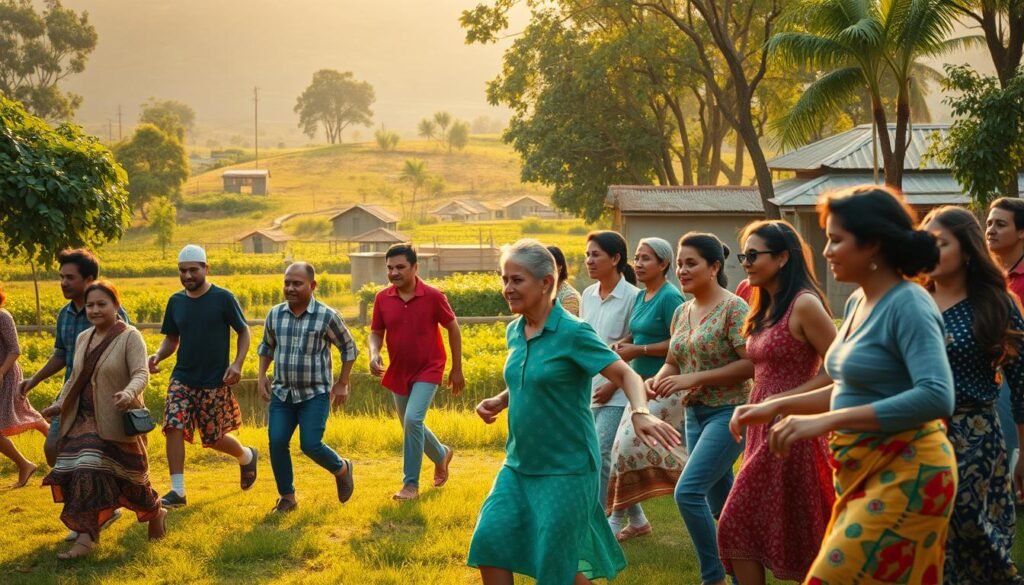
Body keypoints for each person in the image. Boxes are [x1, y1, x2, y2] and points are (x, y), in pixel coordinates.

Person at [733, 186, 956, 584]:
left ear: (871, 244)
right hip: (858, 466)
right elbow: (854, 388)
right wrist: (777, 406)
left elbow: (937, 396)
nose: (825, 251)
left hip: (909, 467)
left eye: (836, 240)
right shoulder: (856, 303)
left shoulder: (909, 303)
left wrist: (822, 422)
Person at [468, 239, 682, 585]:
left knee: (556, 566)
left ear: (546, 283)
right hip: (519, 463)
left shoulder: (573, 332)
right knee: (491, 542)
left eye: (516, 280)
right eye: (503, 278)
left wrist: (640, 410)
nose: (507, 288)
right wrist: (501, 399)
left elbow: (625, 372)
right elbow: (533, 373)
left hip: (567, 467)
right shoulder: (515, 331)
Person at [718, 221, 837, 584]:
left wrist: (781, 402)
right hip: (762, 427)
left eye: (754, 255)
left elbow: (837, 370)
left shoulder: (804, 304)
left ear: (783, 257)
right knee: (745, 526)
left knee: (743, 522)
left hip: (793, 430)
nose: (746, 263)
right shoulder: (764, 303)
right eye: (744, 255)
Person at [921, 206, 1024, 585]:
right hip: (916, 435)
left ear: (966, 250)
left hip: (974, 436)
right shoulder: (911, 302)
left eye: (940, 243)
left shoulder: (996, 303)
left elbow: (1023, 383)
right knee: (928, 539)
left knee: (974, 532)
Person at [647, 232, 753, 585]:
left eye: (691, 263)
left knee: (688, 492)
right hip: (695, 415)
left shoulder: (733, 307)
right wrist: (659, 380)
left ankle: (713, 577)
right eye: (679, 263)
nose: (682, 270)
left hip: (731, 412)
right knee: (723, 505)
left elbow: (750, 364)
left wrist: (693, 379)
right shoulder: (681, 311)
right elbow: (673, 362)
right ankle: (743, 573)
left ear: (714, 267)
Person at [40, 281, 166, 559]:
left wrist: (129, 392)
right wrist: (59, 405)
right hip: (82, 419)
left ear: (116, 306)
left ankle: (155, 510)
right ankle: (84, 541)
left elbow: (141, 373)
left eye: (102, 304)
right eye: (91, 305)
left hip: (116, 420)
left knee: (131, 481)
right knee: (82, 471)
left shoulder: (130, 336)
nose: (95, 310)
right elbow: (74, 378)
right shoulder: (84, 337)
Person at [19, 248, 130, 540]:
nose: (64, 283)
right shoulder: (64, 315)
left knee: (101, 460)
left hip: (104, 400)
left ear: (89, 279)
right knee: (53, 449)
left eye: (70, 277)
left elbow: (129, 352)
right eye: (61, 277)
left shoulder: (113, 311)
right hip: (70, 398)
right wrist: (35, 380)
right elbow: (61, 355)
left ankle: (93, 516)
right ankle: (91, 510)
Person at [148, 244, 256, 508]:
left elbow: (244, 332)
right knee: (173, 424)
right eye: (182, 271)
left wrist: (237, 364)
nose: (187, 275)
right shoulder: (176, 302)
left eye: (193, 270)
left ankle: (246, 456)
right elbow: (171, 339)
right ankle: (178, 491)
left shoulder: (223, 298)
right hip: (182, 378)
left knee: (214, 438)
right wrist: (158, 355)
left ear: (206, 268)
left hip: (213, 381)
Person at [257, 262, 358, 512]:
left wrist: (342, 383)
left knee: (310, 444)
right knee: (277, 441)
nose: (290, 288)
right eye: (287, 283)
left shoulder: (326, 316)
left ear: (312, 286)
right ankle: (287, 497)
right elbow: (267, 347)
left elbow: (350, 348)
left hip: (315, 394)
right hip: (282, 392)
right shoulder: (275, 314)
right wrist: (261, 376)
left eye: (297, 283)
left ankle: (342, 468)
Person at [606, 237, 687, 541]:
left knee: (627, 448)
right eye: (637, 258)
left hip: (666, 389)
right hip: (639, 388)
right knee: (618, 451)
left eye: (646, 259)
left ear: (664, 264)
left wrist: (638, 350)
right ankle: (636, 520)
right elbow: (636, 332)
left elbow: (678, 343)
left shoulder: (670, 298)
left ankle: (615, 521)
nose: (638, 264)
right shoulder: (642, 297)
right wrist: (624, 344)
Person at [368, 244, 464, 501]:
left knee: (412, 420)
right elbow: (376, 332)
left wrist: (457, 369)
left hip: (429, 368)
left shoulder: (433, 296)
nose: (394, 272)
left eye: (400, 267)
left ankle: (410, 485)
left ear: (414, 268)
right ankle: (442, 454)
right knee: (410, 425)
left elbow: (453, 328)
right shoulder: (382, 298)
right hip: (399, 370)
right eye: (389, 268)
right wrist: (374, 353)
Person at [581, 231, 640, 511]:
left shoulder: (634, 297)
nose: (589, 261)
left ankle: (600, 516)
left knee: (603, 453)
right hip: (589, 388)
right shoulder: (587, 295)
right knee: (592, 453)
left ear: (615, 258)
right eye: (587, 255)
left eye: (596, 255)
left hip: (618, 392)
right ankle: (637, 518)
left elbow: (634, 344)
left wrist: (613, 385)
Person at [986, 197, 1024, 475]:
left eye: (1000, 224)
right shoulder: (987, 278)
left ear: (1021, 232)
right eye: (988, 223)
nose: (991, 230)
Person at [0, 283, 48, 488]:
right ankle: (26, 464)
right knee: (30, 414)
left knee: (28, 415)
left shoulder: (2, 316)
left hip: (7, 374)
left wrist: (1, 372)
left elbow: (14, 350)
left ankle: (66, 456)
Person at [547, 245, 582, 316]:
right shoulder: (540, 291)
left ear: (559, 268)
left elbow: (564, 324)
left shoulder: (570, 297)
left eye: (548, 265)